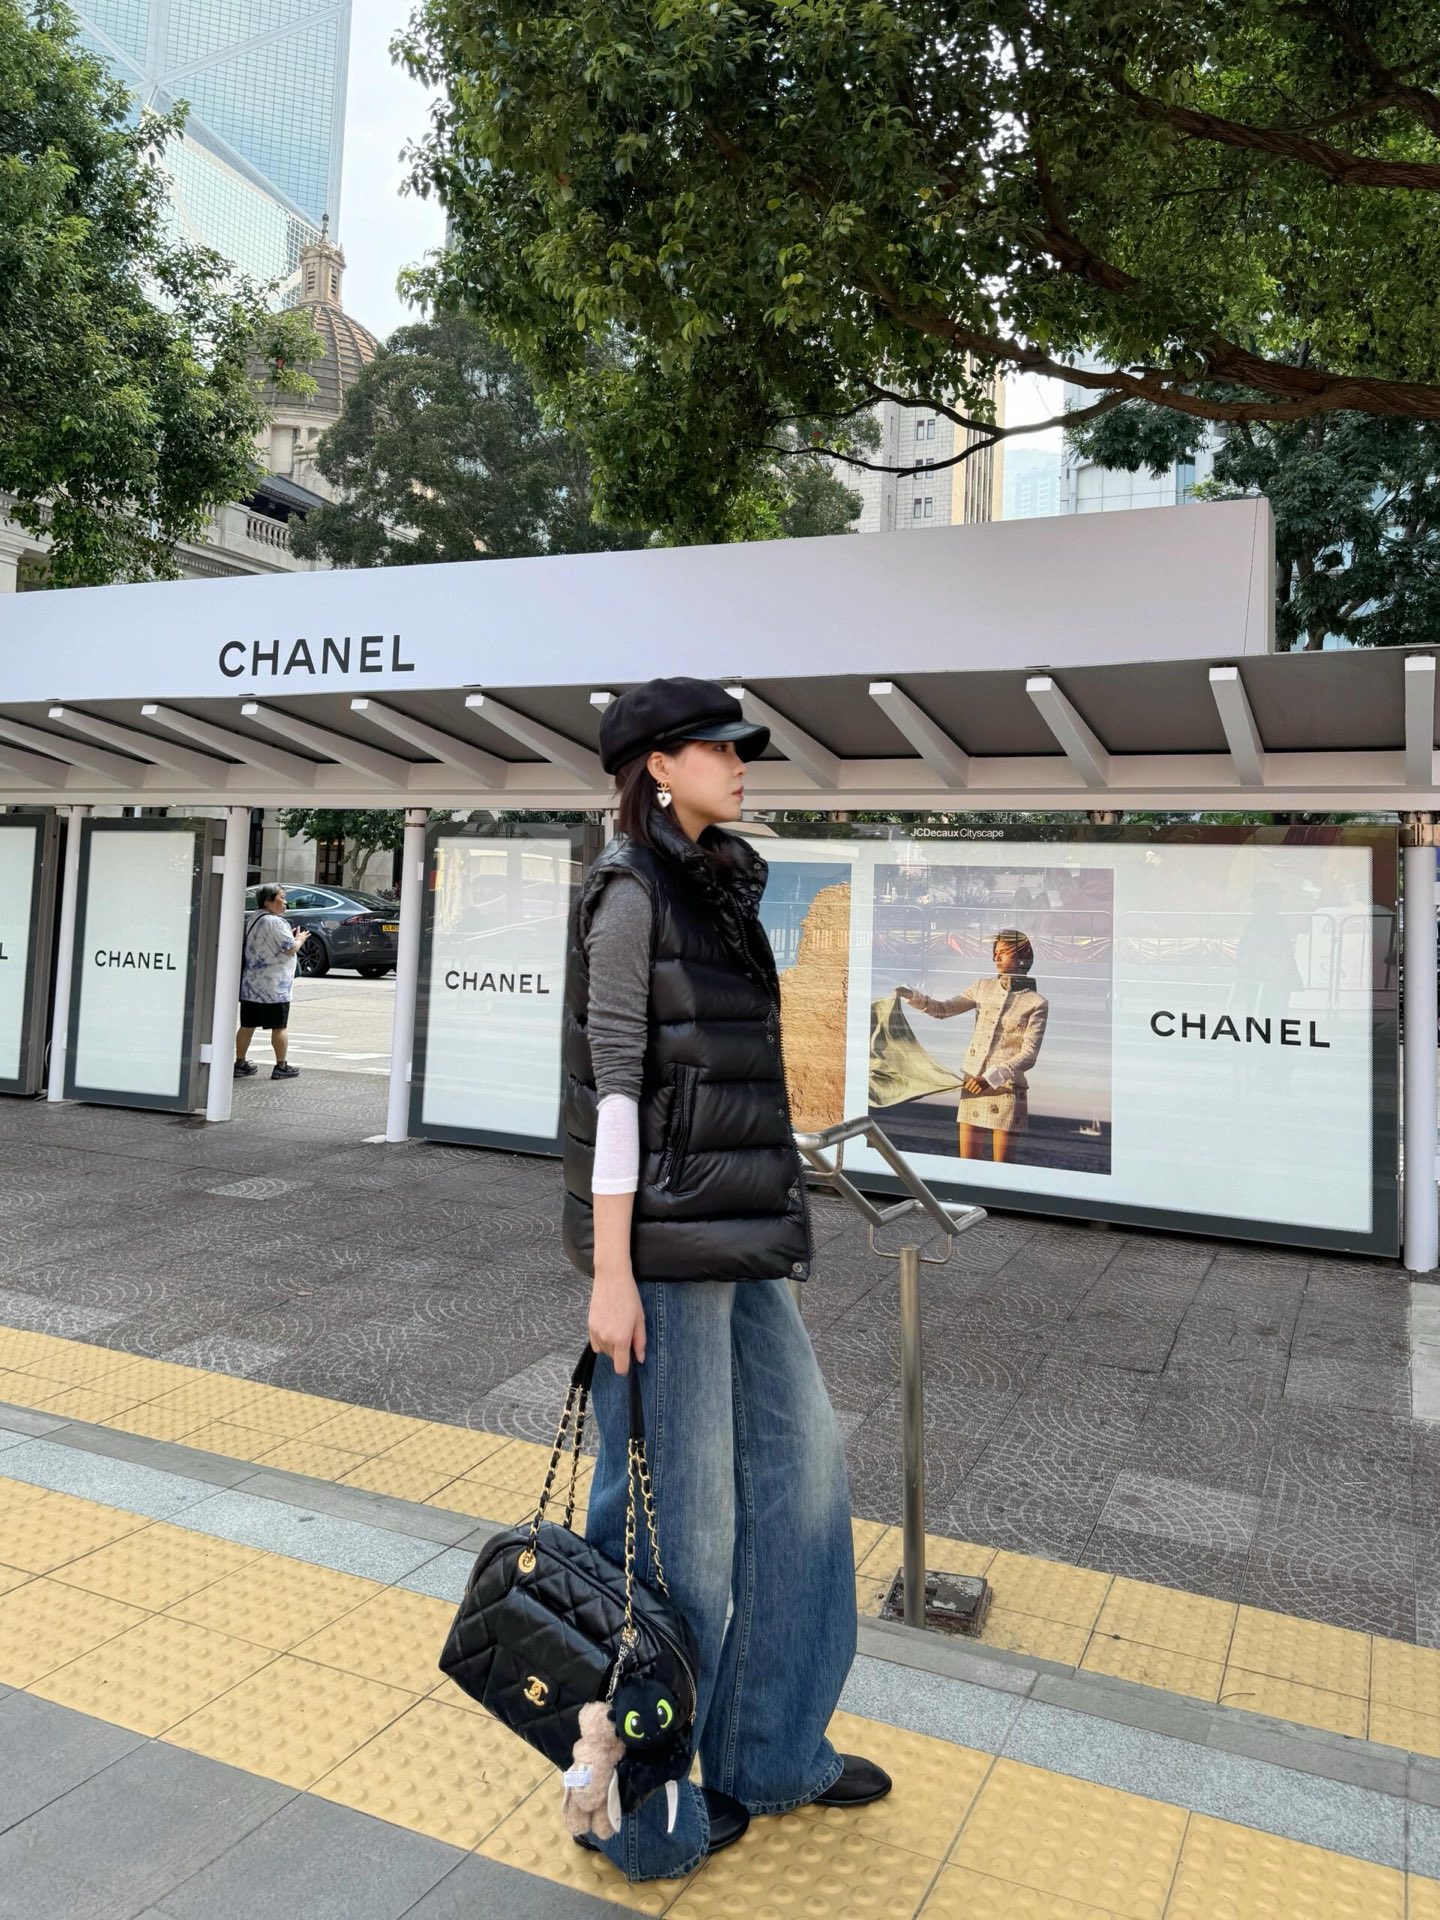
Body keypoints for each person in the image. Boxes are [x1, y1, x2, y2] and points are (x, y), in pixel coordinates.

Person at [561, 676, 889, 1884]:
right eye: (719, 747)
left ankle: (771, 1751)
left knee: (805, 1483)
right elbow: (616, 1091)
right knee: (679, 1537)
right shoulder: (629, 892)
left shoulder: (719, 885)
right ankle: (634, 1807)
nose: (742, 763)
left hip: (744, 1241)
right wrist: (611, 1273)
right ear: (657, 765)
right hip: (661, 1256)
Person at [899, 929, 1049, 1163]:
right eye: (995, 952)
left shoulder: (1036, 1003)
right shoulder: (982, 987)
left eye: (1004, 952)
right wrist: (910, 995)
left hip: (1007, 1089)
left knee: (1002, 1167)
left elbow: (1029, 1054)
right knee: (967, 1163)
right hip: (973, 1084)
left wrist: (989, 1078)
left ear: (1022, 957)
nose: (996, 957)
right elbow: (943, 1009)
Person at [234, 883, 308, 1081]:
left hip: (251, 986)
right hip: (274, 987)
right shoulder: (276, 922)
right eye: (282, 897)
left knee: (247, 1025)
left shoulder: (254, 918)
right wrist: (300, 939)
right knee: (279, 1026)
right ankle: (281, 1066)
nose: (285, 902)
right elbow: (290, 948)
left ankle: (240, 1063)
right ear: (268, 901)